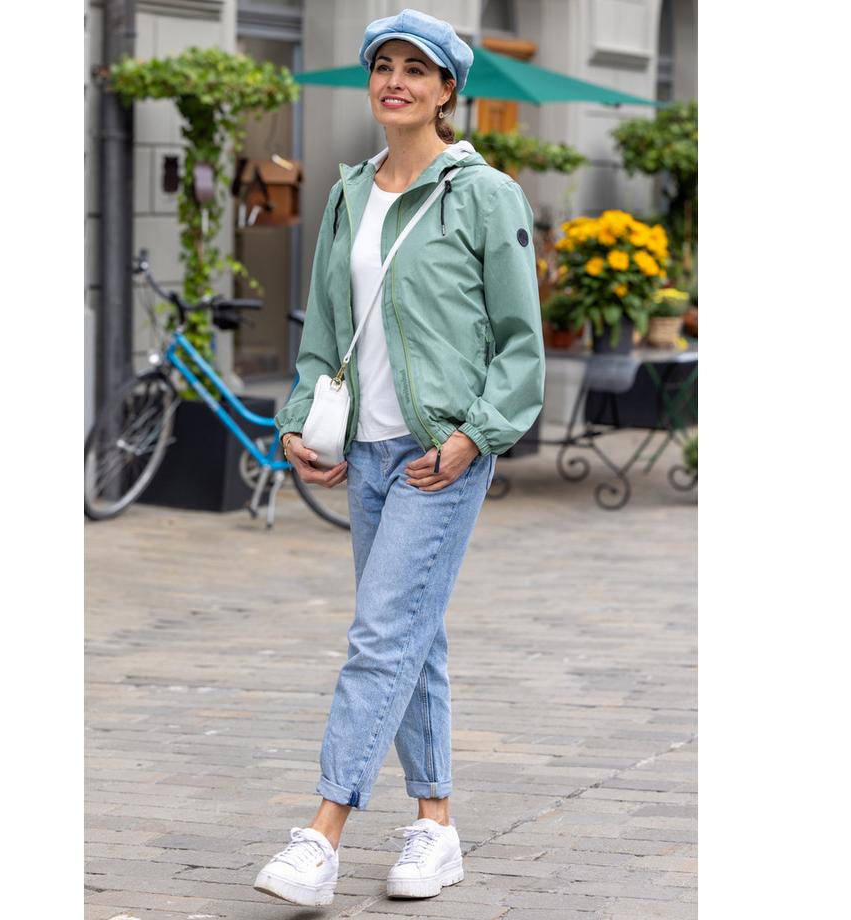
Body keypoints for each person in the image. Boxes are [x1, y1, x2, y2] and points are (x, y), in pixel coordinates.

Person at [253, 8, 545, 908]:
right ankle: (436, 825)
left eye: (417, 69)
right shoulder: (350, 193)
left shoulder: (484, 194)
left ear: (447, 90)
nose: (396, 82)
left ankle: (323, 832)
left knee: (379, 635)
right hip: (367, 451)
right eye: (384, 65)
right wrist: (301, 422)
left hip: (437, 456)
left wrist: (472, 437)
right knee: (414, 634)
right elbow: (323, 332)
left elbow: (521, 343)